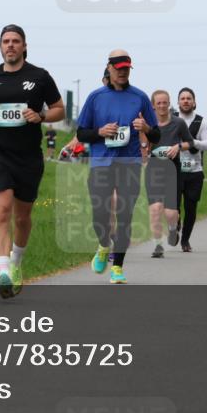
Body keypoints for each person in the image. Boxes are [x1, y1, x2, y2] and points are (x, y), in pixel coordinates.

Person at [0, 25, 65, 298]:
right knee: (1, 212)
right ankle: (3, 273)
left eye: (15, 41)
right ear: (0, 47)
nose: (10, 45)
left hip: (28, 157)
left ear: (24, 46)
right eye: (6, 41)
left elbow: (59, 109)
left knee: (22, 218)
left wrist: (41, 117)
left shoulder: (40, 77)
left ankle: (16, 263)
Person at [76, 50, 160, 284]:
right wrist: (100, 132)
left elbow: (157, 134)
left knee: (125, 215)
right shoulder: (96, 97)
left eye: (126, 68)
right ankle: (104, 245)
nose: (123, 72)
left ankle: (118, 267)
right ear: (109, 68)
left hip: (129, 163)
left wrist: (145, 127)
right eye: (119, 67)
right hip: (101, 163)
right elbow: (81, 132)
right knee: (100, 214)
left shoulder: (140, 97)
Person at [145, 90, 194, 258]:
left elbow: (190, 142)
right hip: (153, 169)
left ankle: (173, 229)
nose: (162, 106)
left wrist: (178, 147)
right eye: (158, 103)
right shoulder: (148, 124)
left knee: (171, 213)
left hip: (173, 170)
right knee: (155, 209)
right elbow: (142, 143)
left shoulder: (178, 123)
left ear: (169, 103)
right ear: (153, 105)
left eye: (165, 102)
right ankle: (157, 245)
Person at [176, 87, 207, 252]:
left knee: (191, 208)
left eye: (188, 98)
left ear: (194, 102)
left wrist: (192, 143)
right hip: (175, 170)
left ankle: (185, 240)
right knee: (173, 207)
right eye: (182, 98)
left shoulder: (202, 122)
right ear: (178, 102)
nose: (185, 101)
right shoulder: (172, 120)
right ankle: (174, 225)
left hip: (194, 172)